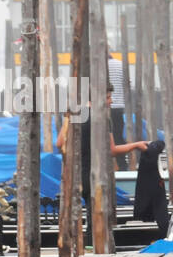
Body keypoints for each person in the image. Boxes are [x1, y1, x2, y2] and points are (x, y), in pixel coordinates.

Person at [55, 83, 149, 243]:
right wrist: (136, 145)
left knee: (81, 214)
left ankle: (80, 245)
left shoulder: (76, 114)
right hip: (94, 173)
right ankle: (94, 246)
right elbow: (111, 150)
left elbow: (59, 144)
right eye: (108, 97)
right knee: (96, 215)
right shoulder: (102, 119)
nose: (111, 101)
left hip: (75, 174)